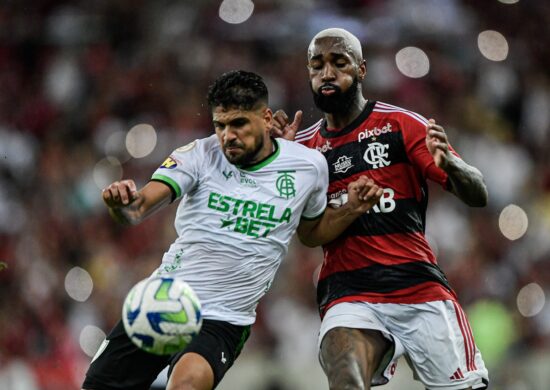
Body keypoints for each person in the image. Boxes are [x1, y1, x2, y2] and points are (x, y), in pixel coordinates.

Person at [82, 70, 383, 390]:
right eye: (220, 125)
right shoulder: (199, 155)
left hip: (224, 319)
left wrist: (350, 209)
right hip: (164, 300)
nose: (228, 136)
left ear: (266, 118)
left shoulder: (308, 167)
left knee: (186, 385)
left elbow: (311, 234)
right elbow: (138, 208)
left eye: (238, 123)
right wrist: (122, 204)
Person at [272, 28, 490, 390]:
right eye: (317, 65)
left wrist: (453, 166)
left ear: (361, 69)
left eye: (339, 63)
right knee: (345, 376)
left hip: (419, 290)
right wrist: (280, 164)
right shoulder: (305, 149)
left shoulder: (402, 125)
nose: (327, 73)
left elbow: (478, 194)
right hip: (349, 294)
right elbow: (308, 235)